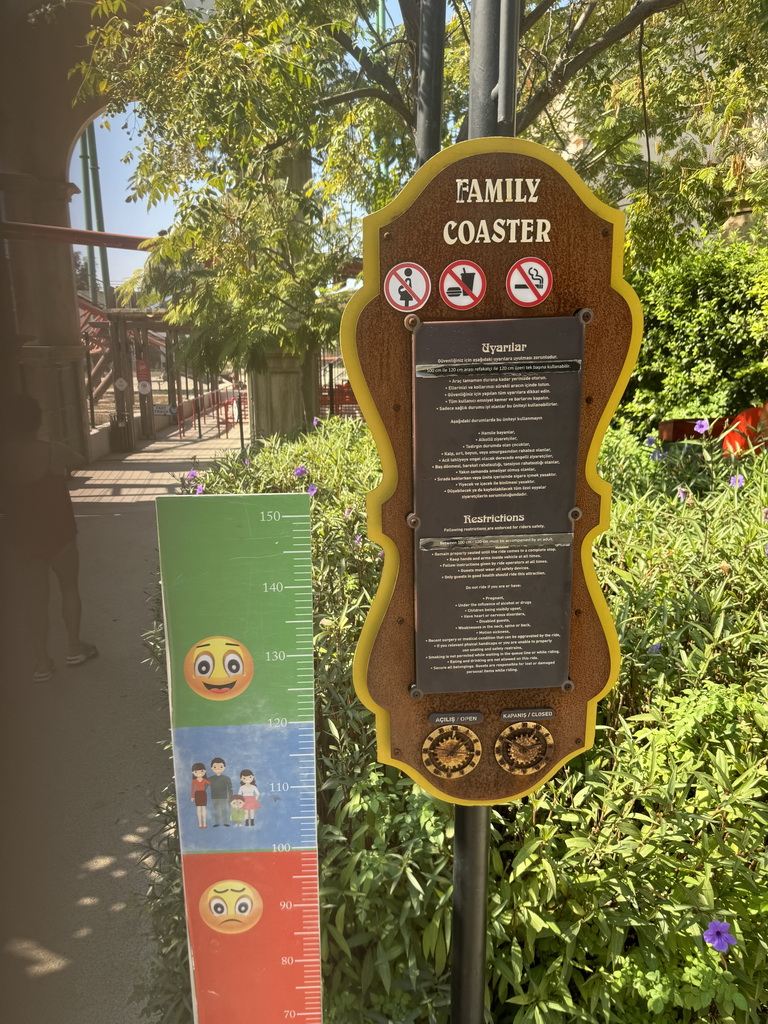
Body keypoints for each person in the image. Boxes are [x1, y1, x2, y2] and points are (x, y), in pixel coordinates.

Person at [0, 394, 97, 681]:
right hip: (59, 531)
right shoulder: (54, 451)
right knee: (69, 587)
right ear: (38, 420)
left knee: (35, 599)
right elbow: (81, 460)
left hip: (23, 535)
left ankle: (42, 663)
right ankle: (75, 647)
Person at [208, 756, 233, 826]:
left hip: (224, 798)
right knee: (216, 811)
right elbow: (204, 787)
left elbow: (230, 789)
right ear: (211, 768)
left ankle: (225, 822)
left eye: (221, 767)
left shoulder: (227, 778)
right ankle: (216, 822)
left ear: (224, 767)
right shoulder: (210, 779)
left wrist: (231, 798)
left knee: (224, 810)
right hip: (214, 798)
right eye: (215, 767)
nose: (218, 769)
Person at [190, 763, 210, 828]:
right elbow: (192, 789)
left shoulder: (205, 780)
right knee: (198, 808)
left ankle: (204, 823)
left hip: (203, 794)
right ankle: (200, 823)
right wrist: (192, 796)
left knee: (203, 808)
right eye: (196, 771)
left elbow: (210, 783)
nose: (199, 773)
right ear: (193, 772)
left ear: (205, 771)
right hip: (197, 794)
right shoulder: (194, 781)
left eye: (201, 771)